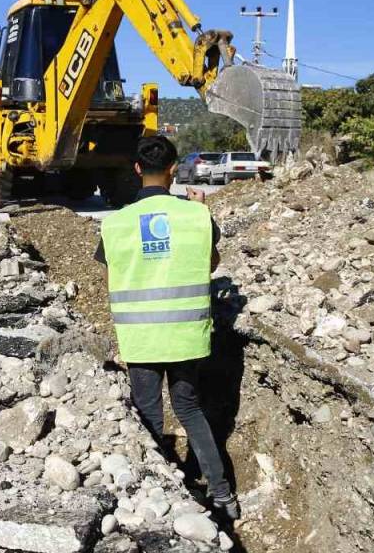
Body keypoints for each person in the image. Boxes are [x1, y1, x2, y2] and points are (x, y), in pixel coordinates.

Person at [92, 136, 239, 521]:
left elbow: (115, 271)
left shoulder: (116, 223)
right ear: (174, 169)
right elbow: (208, 265)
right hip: (186, 334)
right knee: (190, 409)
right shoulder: (196, 215)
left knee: (149, 414)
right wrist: (201, 213)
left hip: (140, 335)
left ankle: (157, 494)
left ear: (137, 170)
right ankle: (222, 496)